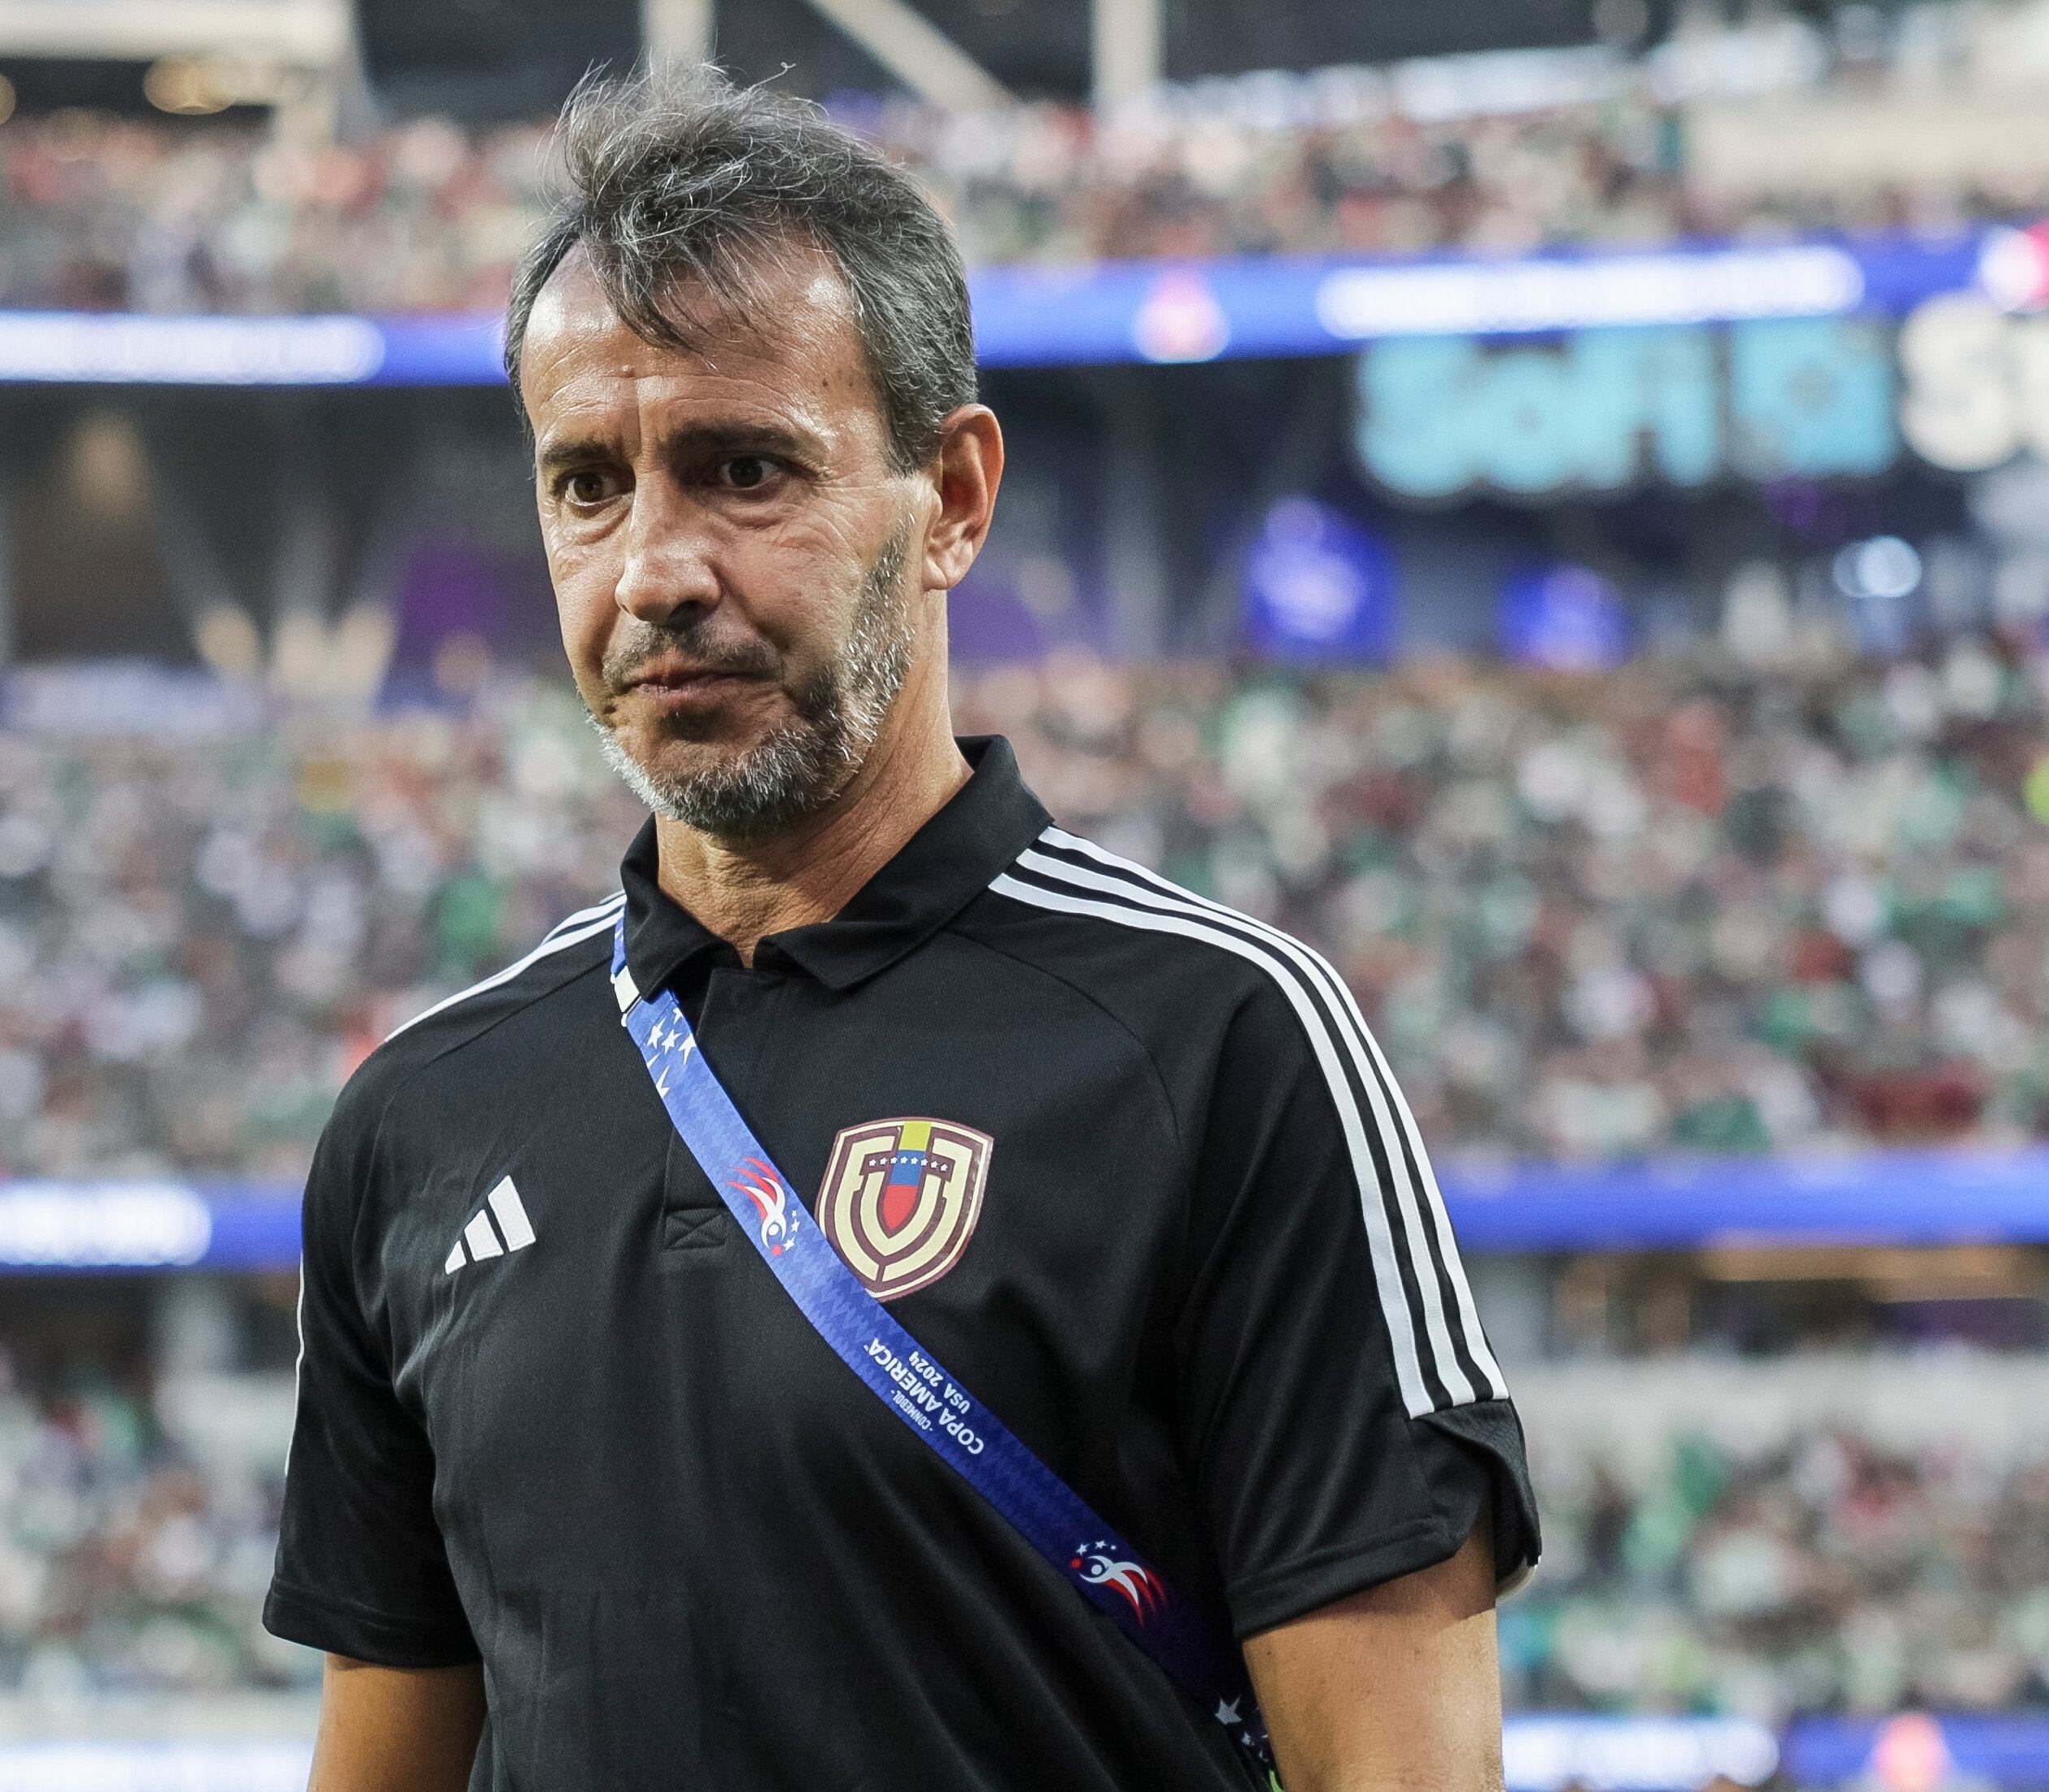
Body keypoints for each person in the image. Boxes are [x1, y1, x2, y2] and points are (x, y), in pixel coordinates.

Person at [264, 63, 1539, 1792]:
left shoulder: (1220, 1043)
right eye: (586, 482)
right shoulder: (420, 1117)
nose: (652, 567)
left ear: (947, 498)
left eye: (740, 470)